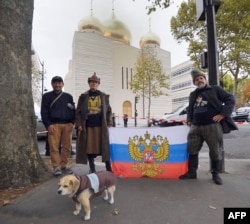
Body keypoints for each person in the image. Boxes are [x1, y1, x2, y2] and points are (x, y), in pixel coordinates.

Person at [179, 69, 237, 185]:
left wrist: (223, 114)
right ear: (194, 83)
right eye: (196, 79)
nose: (199, 80)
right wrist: (189, 120)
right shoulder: (193, 94)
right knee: (192, 149)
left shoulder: (215, 89)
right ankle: (192, 172)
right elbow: (190, 109)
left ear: (205, 79)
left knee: (215, 150)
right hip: (196, 126)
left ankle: (215, 174)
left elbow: (230, 99)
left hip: (212, 126)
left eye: (201, 78)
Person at [75, 72, 113, 173]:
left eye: (96, 83)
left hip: (101, 126)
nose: (94, 84)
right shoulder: (83, 96)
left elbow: (109, 111)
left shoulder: (104, 96)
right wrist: (79, 124)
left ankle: (108, 168)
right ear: (89, 83)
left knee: (104, 148)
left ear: (98, 84)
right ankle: (92, 167)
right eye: (92, 82)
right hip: (88, 126)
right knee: (89, 148)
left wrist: (109, 122)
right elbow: (78, 112)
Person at [41, 76, 75, 176]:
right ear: (52, 84)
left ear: (62, 84)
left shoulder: (68, 96)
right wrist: (48, 124)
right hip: (54, 125)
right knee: (54, 147)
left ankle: (64, 165)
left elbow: (73, 110)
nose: (57, 85)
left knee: (67, 147)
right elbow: (44, 112)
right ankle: (56, 167)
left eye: (59, 83)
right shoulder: (46, 96)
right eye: (55, 83)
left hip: (67, 125)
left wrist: (72, 122)